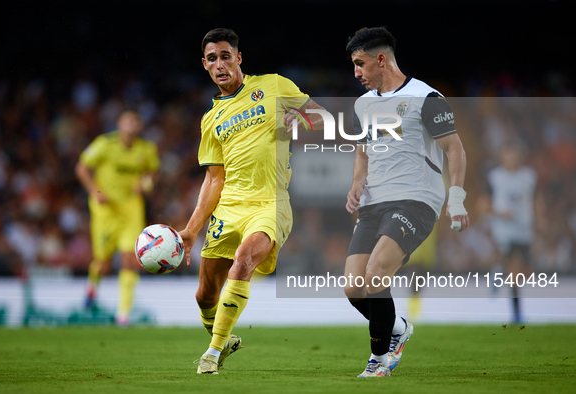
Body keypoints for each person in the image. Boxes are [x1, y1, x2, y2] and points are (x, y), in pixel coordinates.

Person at [178, 28, 323, 375]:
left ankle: (212, 354)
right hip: (229, 207)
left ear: (239, 58)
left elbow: (321, 117)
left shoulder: (273, 85)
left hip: (269, 203)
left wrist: (300, 124)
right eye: (212, 59)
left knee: (243, 261)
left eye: (226, 56)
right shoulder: (210, 119)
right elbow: (214, 178)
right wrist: (190, 230)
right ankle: (223, 337)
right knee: (204, 297)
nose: (220, 64)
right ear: (204, 65)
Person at [343, 27, 469, 378]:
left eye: (360, 63)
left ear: (380, 59)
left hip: (416, 199)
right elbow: (362, 151)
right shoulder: (362, 105)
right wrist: (356, 181)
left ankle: (380, 358)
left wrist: (456, 198)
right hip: (374, 202)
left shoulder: (426, 97)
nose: (355, 72)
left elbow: (454, 149)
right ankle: (397, 326)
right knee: (354, 286)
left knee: (376, 273)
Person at [75, 109, 160, 326]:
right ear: (119, 124)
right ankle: (92, 286)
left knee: (129, 260)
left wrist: (146, 184)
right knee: (102, 262)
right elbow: (82, 167)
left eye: (135, 121)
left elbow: (152, 172)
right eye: (127, 120)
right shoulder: (105, 144)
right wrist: (95, 191)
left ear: (139, 126)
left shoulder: (146, 149)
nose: (131, 124)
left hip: (131, 209)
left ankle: (122, 315)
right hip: (106, 210)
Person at [486, 142, 538, 323]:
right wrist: (501, 214)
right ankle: (516, 313)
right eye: (508, 154)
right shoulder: (494, 177)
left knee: (526, 272)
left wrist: (541, 221)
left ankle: (499, 272)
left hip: (525, 231)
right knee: (515, 270)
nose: (512, 158)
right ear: (502, 157)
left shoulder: (529, 177)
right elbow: (482, 205)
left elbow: (536, 200)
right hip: (505, 231)